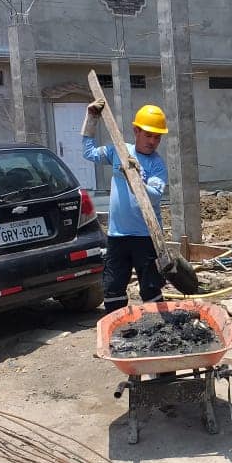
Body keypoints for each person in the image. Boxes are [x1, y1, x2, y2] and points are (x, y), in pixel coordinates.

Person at [81, 99, 169, 313]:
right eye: (148, 135)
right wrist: (91, 119)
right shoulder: (119, 152)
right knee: (113, 289)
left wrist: (136, 178)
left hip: (146, 237)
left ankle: (158, 328)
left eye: (157, 137)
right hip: (117, 235)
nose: (153, 141)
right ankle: (117, 328)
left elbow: (154, 197)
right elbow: (89, 153)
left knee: (150, 288)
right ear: (136, 131)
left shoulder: (157, 164)